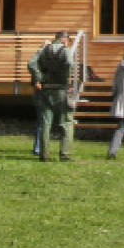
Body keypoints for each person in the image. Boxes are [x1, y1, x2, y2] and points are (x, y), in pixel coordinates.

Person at [27, 30, 75, 161]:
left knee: (45, 123)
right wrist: (66, 77)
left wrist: (39, 77)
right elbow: (70, 63)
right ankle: (65, 154)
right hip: (61, 89)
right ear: (65, 40)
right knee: (66, 122)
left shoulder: (44, 49)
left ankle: (44, 155)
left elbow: (31, 63)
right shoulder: (65, 50)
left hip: (46, 89)